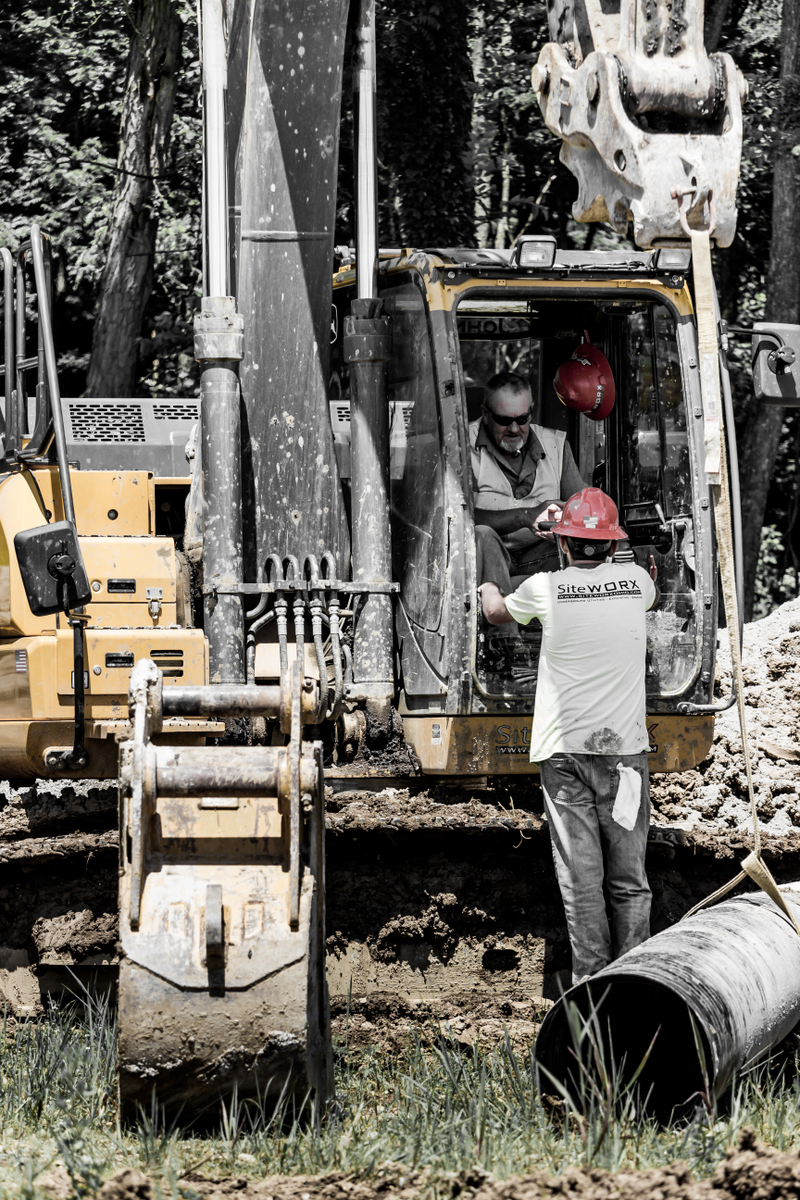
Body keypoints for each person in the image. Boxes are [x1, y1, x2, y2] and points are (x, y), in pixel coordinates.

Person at [479, 487, 659, 984]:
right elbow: (648, 596)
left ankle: (591, 989)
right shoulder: (637, 580)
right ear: (611, 544)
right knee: (630, 882)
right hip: (624, 754)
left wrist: (487, 589)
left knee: (582, 883)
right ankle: (636, 985)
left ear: (563, 544)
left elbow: (496, 613)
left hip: (564, 755)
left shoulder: (544, 587)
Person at [470, 371, 584, 593]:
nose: (514, 429)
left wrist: (565, 520)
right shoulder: (462, 446)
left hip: (540, 554)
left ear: (532, 411)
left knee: (584, 549)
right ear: (485, 414)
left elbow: (583, 509)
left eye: (522, 419)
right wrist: (524, 516)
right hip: (485, 561)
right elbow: (460, 518)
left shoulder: (555, 445)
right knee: (482, 534)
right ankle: (502, 625)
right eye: (504, 420)